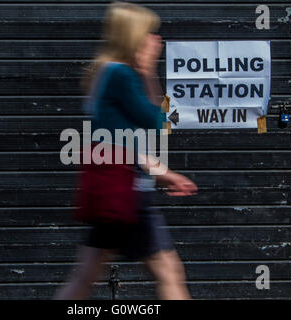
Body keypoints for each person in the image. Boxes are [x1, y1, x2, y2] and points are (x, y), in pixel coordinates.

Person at [54, 1, 198, 300]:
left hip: (114, 190)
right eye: (150, 33)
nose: (155, 40)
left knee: (84, 276)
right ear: (134, 36)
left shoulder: (103, 72)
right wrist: (148, 71)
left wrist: (166, 175)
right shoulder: (122, 75)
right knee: (169, 272)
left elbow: (122, 142)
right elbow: (156, 120)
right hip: (129, 195)